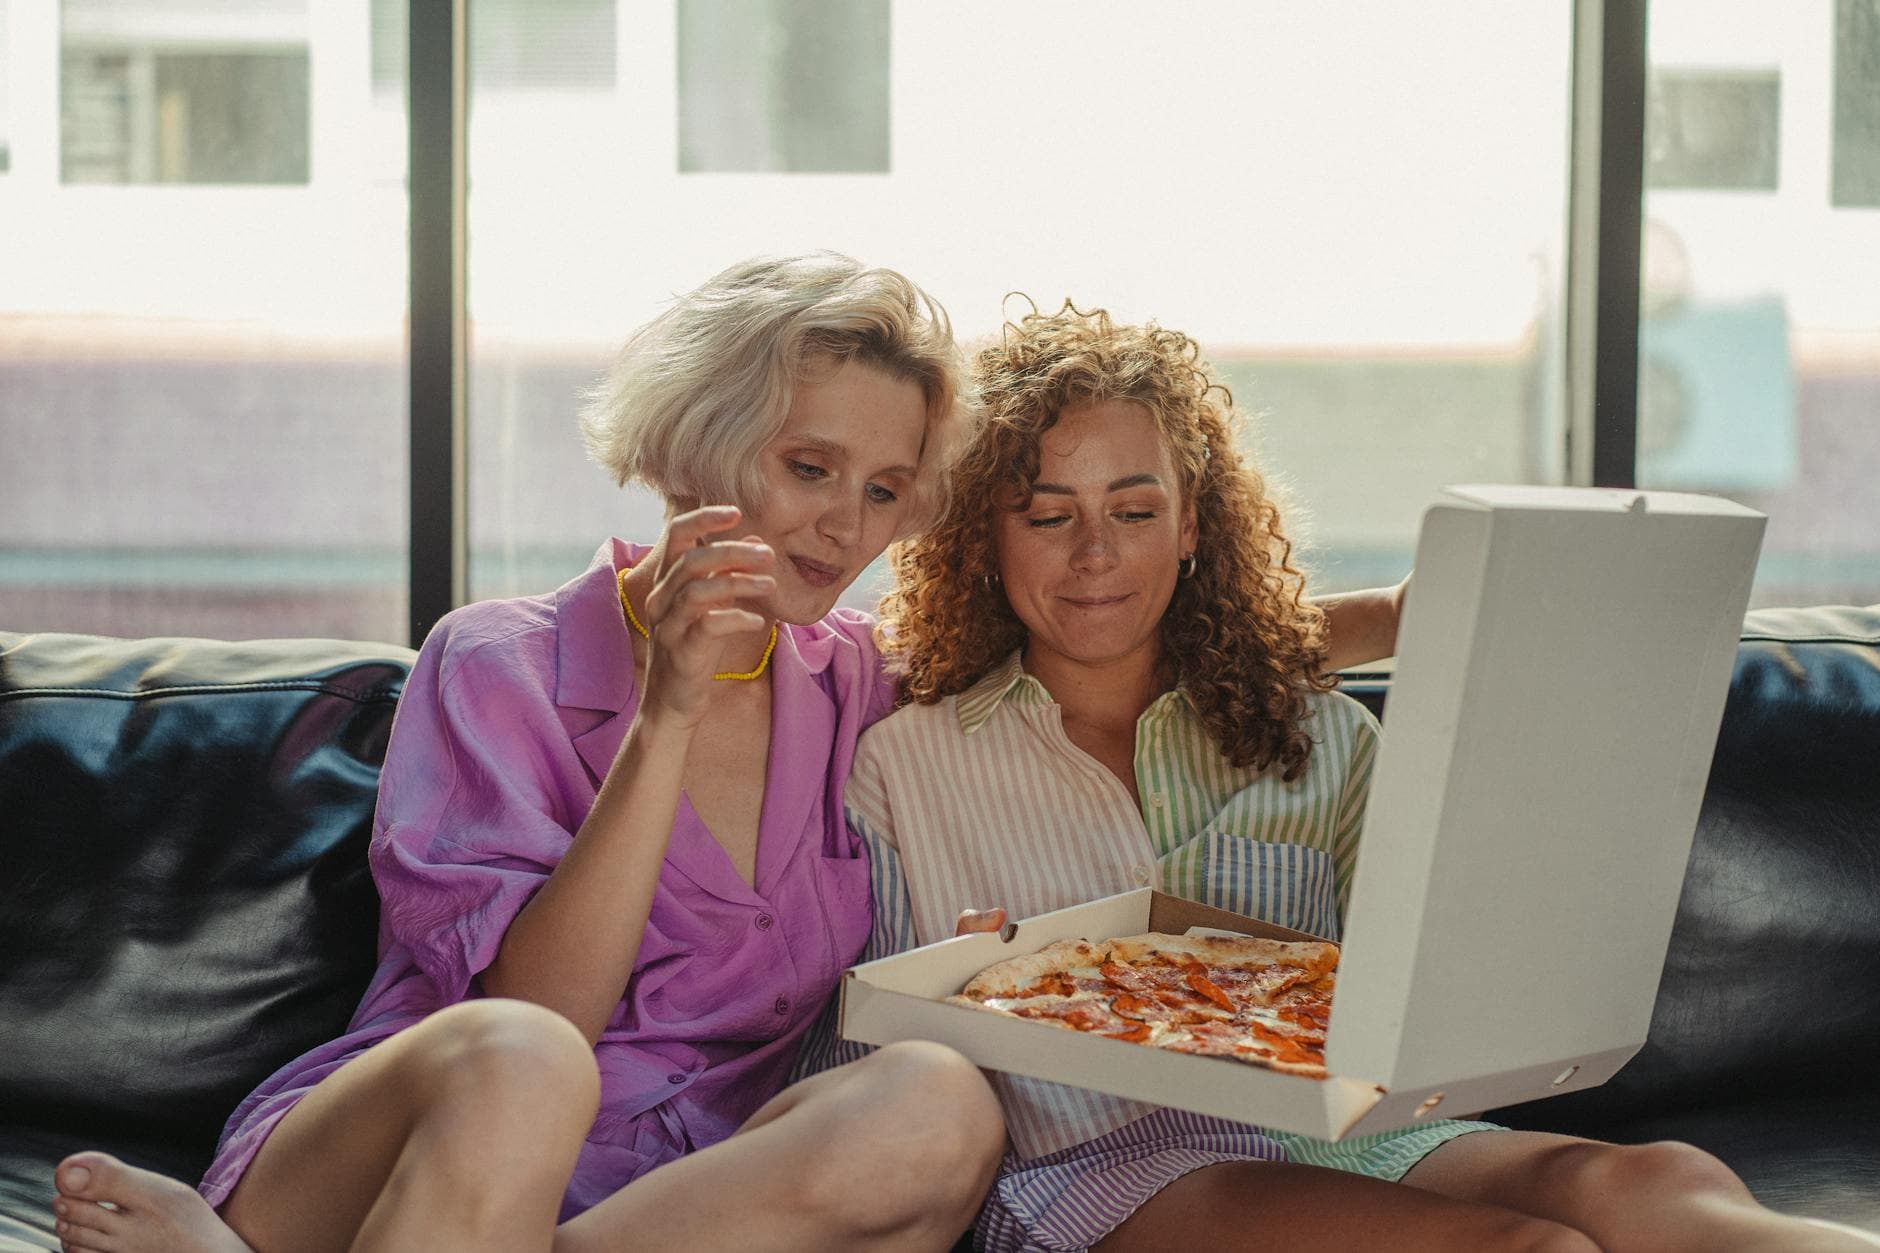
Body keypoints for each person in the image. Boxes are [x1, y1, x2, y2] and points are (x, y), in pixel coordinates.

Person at [47, 256, 1407, 1253]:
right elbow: (549, 1010)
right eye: (809, 467)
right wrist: (669, 712)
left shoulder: (859, 683)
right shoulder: (499, 661)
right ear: (705, 441)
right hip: (415, 1150)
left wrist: (1386, 623)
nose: (842, 527)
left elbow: (1100, 625)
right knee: (528, 1058)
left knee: (939, 1099)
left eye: (885, 491)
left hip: (687, 1207)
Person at [836, 299, 1880, 1252]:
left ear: (1193, 521)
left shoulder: (1314, 730)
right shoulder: (905, 755)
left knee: (1658, 1182)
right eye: (1047, 512)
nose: (1095, 552)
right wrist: (954, 981)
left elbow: (1412, 986)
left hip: (1335, 1137)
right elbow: (860, 1056)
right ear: (985, 533)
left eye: (1135, 509)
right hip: (1090, 1168)